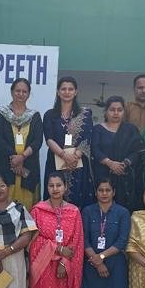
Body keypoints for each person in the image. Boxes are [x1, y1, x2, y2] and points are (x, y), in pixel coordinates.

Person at [0, 78, 43, 207]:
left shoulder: (34, 116)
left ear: (28, 94)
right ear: (12, 92)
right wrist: (14, 157)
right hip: (5, 165)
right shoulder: (1, 113)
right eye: (17, 91)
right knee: (5, 206)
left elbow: (38, 141)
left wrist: (22, 157)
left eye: (24, 91)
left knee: (26, 209)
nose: (21, 94)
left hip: (28, 167)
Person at [43, 76, 94, 208]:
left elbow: (87, 137)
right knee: (54, 194)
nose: (67, 92)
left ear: (76, 92)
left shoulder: (85, 114)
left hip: (78, 164)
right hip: (55, 161)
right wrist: (64, 155)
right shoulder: (50, 115)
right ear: (58, 92)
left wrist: (75, 156)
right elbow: (49, 139)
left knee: (77, 198)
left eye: (70, 89)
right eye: (63, 89)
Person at [91, 96, 144, 211]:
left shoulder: (131, 129)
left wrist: (124, 164)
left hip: (125, 176)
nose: (116, 113)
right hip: (103, 174)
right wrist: (110, 163)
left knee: (125, 209)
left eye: (119, 110)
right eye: (112, 110)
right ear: (106, 111)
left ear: (124, 112)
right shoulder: (97, 129)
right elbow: (94, 150)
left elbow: (137, 151)